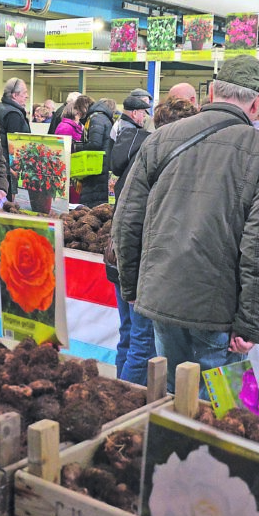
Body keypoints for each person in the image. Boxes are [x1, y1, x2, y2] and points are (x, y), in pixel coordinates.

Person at [113, 55, 259, 395]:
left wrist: (135, 289)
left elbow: (126, 220)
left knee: (177, 399)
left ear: (210, 93)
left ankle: (181, 447)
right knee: (231, 410)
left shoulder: (159, 138)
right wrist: (250, 323)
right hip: (219, 308)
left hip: (162, 295)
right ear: (257, 102)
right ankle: (229, 448)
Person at [108, 92, 155, 385]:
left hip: (120, 259)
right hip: (137, 267)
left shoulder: (128, 150)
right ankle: (127, 400)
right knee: (142, 341)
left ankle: (118, 390)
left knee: (129, 334)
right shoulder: (148, 166)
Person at [0, 78, 31, 200]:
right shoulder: (13, 114)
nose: (26, 96)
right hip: (7, 167)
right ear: (14, 95)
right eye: (24, 93)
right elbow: (17, 146)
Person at [76, 95, 114, 207]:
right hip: (103, 168)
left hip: (96, 170)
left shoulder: (95, 118)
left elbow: (95, 144)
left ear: (83, 108)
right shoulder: (103, 117)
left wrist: (76, 147)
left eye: (78, 111)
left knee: (92, 206)